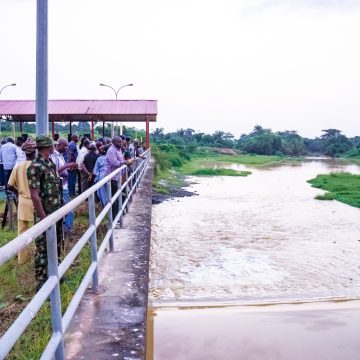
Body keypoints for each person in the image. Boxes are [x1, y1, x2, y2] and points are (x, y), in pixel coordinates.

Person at [27, 135, 63, 290]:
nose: (53, 147)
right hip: (45, 214)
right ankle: (41, 284)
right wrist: (43, 219)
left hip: (56, 212)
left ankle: (55, 274)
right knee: (43, 249)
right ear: (47, 147)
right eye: (51, 145)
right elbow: (34, 195)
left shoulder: (50, 163)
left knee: (56, 244)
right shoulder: (35, 166)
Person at [7, 139, 37, 264]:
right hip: (36, 203)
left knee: (22, 231)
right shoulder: (36, 166)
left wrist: (19, 192)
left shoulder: (18, 166)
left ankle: (22, 259)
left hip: (23, 202)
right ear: (35, 152)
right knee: (37, 231)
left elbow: (9, 185)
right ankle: (37, 257)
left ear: (25, 153)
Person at [51, 138, 78, 233]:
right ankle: (67, 230)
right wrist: (68, 165)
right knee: (68, 210)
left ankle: (65, 230)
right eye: (65, 145)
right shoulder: (53, 156)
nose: (66, 147)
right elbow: (55, 171)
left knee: (66, 210)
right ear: (58, 145)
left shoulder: (60, 155)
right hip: (61, 187)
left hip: (64, 185)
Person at [104, 136, 133, 216]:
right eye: (119, 142)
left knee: (117, 196)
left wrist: (125, 161)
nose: (121, 143)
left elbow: (120, 160)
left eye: (121, 141)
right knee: (113, 198)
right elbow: (115, 163)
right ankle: (113, 217)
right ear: (114, 142)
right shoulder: (111, 150)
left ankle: (117, 214)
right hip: (112, 177)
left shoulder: (118, 150)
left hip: (118, 177)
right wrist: (124, 162)